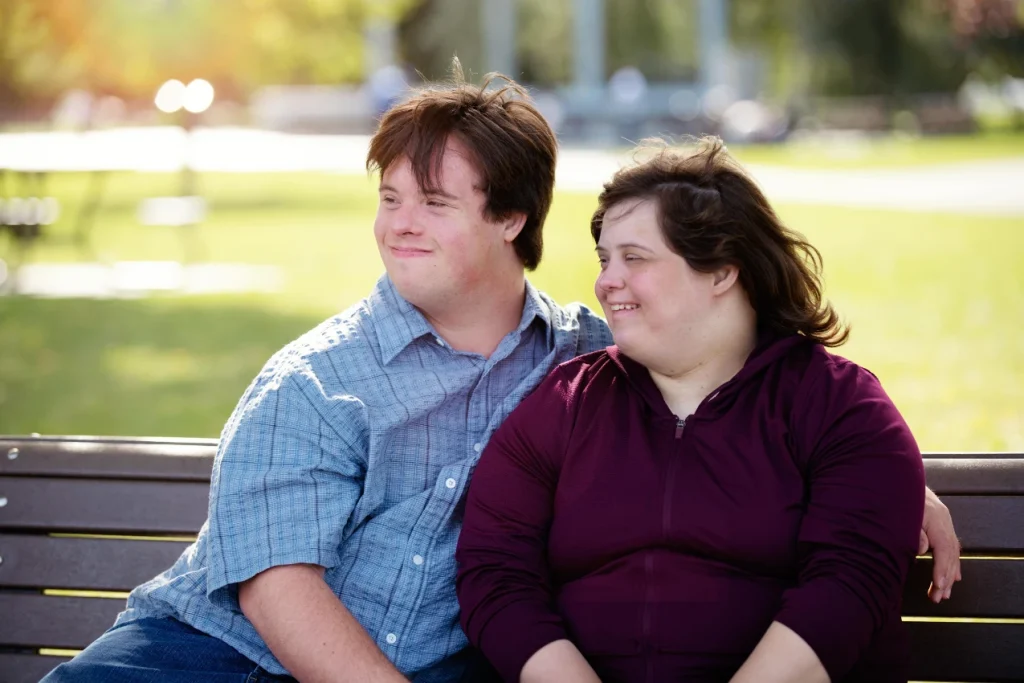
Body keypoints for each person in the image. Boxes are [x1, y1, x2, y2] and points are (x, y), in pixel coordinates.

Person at [44, 68, 959, 683]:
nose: (398, 224)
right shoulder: (317, 380)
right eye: (389, 199)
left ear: (513, 217)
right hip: (203, 655)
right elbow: (278, 589)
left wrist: (895, 486)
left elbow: (730, 362)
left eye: (434, 203)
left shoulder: (583, 355)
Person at [455, 138, 951, 683]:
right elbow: (497, 572)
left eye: (635, 259)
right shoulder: (565, 405)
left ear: (721, 271)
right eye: (605, 260)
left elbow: (847, 587)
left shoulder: (838, 407)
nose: (604, 282)